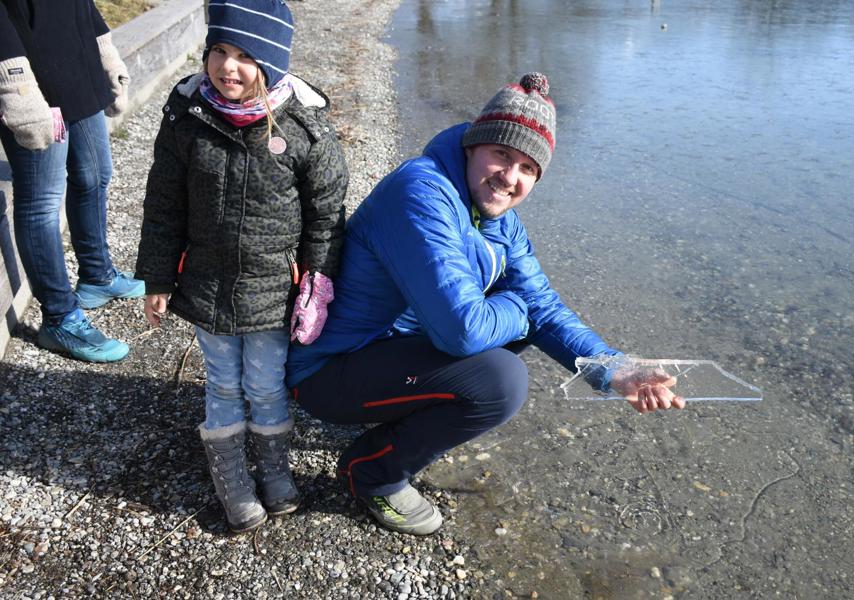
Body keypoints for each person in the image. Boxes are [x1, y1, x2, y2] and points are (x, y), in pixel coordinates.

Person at [286, 72, 683, 536]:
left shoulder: (499, 220)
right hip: (326, 372)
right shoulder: (421, 193)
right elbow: (465, 331)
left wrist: (615, 368)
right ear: (473, 144)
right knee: (502, 379)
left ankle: (404, 424)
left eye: (528, 169)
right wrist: (520, 309)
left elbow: (545, 307)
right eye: (502, 154)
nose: (510, 178)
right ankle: (372, 472)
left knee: (513, 333)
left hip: (388, 352)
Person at [134, 0, 348, 533]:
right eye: (220, 51)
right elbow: (164, 203)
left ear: (270, 64)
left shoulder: (303, 128)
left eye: (245, 56)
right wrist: (158, 278)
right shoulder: (187, 117)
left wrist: (316, 288)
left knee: (267, 384)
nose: (228, 67)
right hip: (207, 286)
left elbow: (326, 218)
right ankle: (232, 478)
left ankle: (274, 470)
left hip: (273, 292)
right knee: (223, 385)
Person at [0, 0, 143, 362]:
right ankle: (60, 317)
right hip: (30, 82)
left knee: (95, 175)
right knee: (42, 201)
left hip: (78, 66)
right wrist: (12, 82)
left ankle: (97, 276)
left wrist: (104, 49)